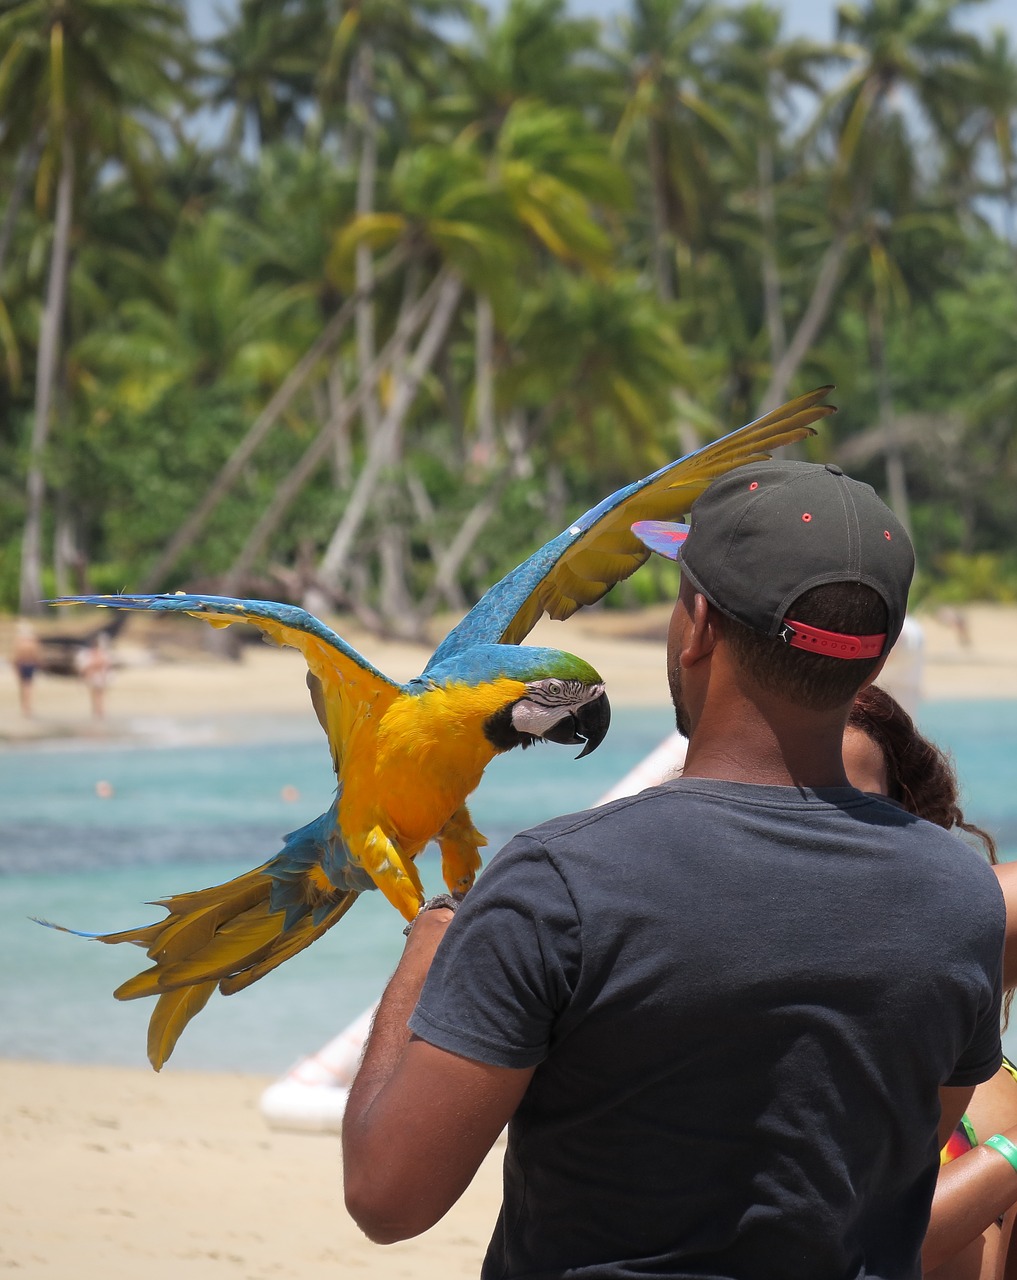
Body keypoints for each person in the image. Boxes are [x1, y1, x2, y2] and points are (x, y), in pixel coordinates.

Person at [342, 459, 1005, 1279]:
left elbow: (387, 1195)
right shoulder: (957, 893)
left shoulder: (559, 885)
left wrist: (431, 942)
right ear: (869, 667)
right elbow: (910, 1146)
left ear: (697, 626)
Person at [844, 686, 1017, 1280]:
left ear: (913, 823)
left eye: (851, 812)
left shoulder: (964, 924)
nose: (812, 834)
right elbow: (854, 1246)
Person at [12, 620, 43, 717]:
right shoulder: (33, 642)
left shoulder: (19, 642)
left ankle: (25, 706)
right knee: (28, 686)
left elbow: (15, 656)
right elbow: (37, 655)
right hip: (30, 664)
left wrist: (15, 666)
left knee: (23, 686)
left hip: (22, 664)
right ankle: (27, 706)